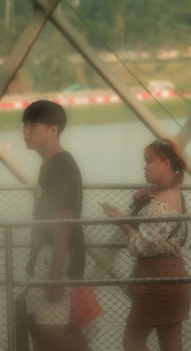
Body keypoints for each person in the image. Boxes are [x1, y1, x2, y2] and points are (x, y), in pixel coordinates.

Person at [103, 138, 190, 351]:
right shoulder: (170, 194)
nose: (145, 166)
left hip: (156, 281)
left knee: (132, 342)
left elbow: (142, 245)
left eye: (150, 161)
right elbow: (152, 233)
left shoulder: (161, 204)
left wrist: (122, 223)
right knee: (171, 346)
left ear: (166, 164)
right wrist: (142, 200)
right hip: (174, 279)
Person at [21, 100, 89, 351]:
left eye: (33, 126)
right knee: (39, 332)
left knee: (53, 335)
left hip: (57, 258)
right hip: (44, 256)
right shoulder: (48, 164)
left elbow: (64, 221)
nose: (26, 132)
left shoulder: (61, 165)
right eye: (24, 126)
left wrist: (56, 274)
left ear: (54, 129)